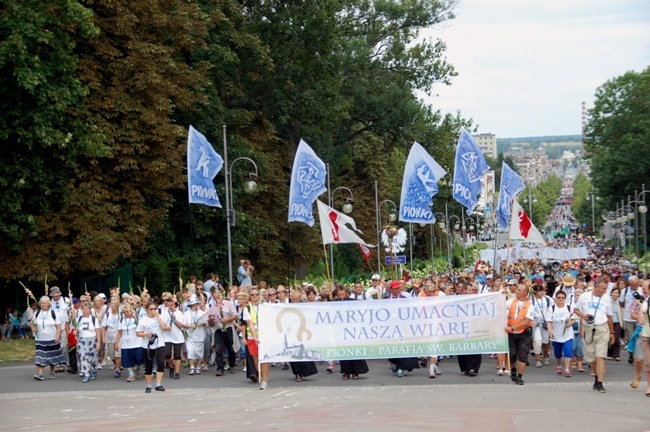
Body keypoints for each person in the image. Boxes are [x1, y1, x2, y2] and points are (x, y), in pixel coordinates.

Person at [573, 278, 615, 393]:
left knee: (600, 356)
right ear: (597, 287)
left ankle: (600, 383)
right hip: (589, 328)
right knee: (591, 357)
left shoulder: (606, 298)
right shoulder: (584, 296)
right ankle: (597, 378)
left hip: (602, 328)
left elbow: (610, 316)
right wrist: (582, 315)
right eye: (604, 288)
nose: (605, 290)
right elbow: (575, 309)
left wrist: (612, 333)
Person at [333, 287, 368, 380]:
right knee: (344, 352)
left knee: (354, 350)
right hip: (341, 330)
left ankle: (356, 372)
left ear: (346, 294)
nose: (341, 296)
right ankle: (346, 372)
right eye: (339, 295)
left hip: (352, 330)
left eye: (343, 294)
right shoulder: (334, 303)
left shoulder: (352, 301)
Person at [385, 281, 419, 377]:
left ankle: (400, 368)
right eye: (395, 288)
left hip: (403, 328)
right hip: (391, 328)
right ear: (391, 289)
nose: (397, 290)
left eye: (398, 288)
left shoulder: (405, 299)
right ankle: (396, 363)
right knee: (393, 348)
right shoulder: (385, 300)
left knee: (402, 347)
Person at [136, 301, 170, 393]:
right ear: (147, 310)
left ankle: (158, 384)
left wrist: (158, 316)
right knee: (148, 365)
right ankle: (148, 385)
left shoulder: (159, 317)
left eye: (155, 309)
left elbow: (163, 327)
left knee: (161, 363)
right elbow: (138, 333)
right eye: (151, 309)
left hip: (159, 343)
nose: (153, 311)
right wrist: (146, 334)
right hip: (147, 345)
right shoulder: (143, 320)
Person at [505, 282, 534, 385]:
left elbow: (526, 321)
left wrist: (513, 328)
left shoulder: (530, 305)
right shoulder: (510, 302)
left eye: (519, 290)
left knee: (522, 355)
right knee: (512, 355)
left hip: (524, 333)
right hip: (511, 333)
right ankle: (513, 370)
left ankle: (520, 377)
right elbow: (500, 307)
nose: (516, 291)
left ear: (525, 293)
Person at [30, 296, 65, 380]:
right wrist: (33, 328)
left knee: (51, 356)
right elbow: (31, 323)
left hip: (51, 338)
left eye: (45, 303)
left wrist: (58, 336)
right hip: (40, 339)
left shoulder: (53, 313)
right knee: (40, 356)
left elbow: (59, 326)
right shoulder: (37, 313)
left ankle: (52, 371)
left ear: (49, 304)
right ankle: (40, 374)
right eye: (41, 303)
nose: (43, 304)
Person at [242, 287, 270, 389]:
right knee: (256, 359)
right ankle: (262, 375)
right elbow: (250, 324)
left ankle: (265, 380)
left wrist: (262, 306)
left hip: (264, 336)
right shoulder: (247, 308)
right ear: (249, 296)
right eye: (253, 295)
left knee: (264, 358)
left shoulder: (265, 306)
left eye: (257, 294)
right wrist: (254, 337)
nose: (255, 297)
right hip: (252, 337)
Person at [546, 290, 576, 376]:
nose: (560, 299)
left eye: (562, 298)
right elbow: (549, 321)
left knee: (568, 351)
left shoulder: (569, 308)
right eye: (559, 297)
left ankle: (567, 369)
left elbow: (573, 319)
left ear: (565, 299)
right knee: (557, 352)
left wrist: (569, 323)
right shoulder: (551, 308)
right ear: (556, 298)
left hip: (567, 334)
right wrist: (550, 332)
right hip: (556, 334)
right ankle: (558, 366)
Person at [208, 291, 238, 376]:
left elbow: (235, 315)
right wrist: (211, 320)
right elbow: (210, 322)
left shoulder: (229, 304)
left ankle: (232, 364)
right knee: (218, 349)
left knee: (230, 348)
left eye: (218, 297)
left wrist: (227, 319)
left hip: (228, 328)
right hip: (218, 329)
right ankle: (220, 368)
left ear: (222, 296)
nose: (217, 300)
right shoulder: (213, 307)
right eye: (215, 298)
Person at [115, 303, 144, 382]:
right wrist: (116, 343)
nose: (127, 314)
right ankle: (131, 374)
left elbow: (142, 329)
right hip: (126, 343)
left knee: (138, 357)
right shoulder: (122, 320)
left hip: (137, 342)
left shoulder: (137, 319)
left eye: (128, 312)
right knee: (128, 360)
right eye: (125, 312)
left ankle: (140, 367)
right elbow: (120, 332)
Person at [75, 302, 102, 383]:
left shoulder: (93, 319)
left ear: (90, 310)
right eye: (83, 309)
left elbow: (97, 331)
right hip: (82, 340)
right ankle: (86, 373)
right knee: (83, 357)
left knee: (92, 356)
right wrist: (75, 334)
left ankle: (94, 368)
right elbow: (76, 330)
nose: (85, 311)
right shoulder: (78, 319)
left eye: (86, 309)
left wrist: (98, 343)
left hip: (92, 339)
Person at [632, 280, 650, 397]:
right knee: (647, 363)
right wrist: (640, 306)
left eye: (645, 288)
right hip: (646, 334)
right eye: (642, 288)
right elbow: (641, 320)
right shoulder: (645, 302)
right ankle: (649, 386)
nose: (644, 290)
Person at [161, 294, 185, 380]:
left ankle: (177, 372)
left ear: (175, 304)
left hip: (177, 336)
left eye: (172, 305)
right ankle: (171, 366)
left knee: (177, 355)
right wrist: (166, 327)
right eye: (169, 305)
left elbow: (181, 326)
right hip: (167, 336)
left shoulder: (179, 313)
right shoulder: (164, 313)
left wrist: (175, 319)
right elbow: (162, 324)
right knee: (167, 354)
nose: (170, 307)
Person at [621, 275, 643, 364]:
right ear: (629, 283)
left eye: (636, 283)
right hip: (628, 318)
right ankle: (631, 354)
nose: (634, 285)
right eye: (632, 283)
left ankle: (638, 355)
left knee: (639, 337)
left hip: (640, 318)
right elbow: (621, 303)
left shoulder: (642, 290)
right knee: (630, 337)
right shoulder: (625, 291)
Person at [531, 284, 553, 367]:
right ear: (535, 292)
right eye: (539, 290)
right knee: (538, 341)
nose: (541, 292)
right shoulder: (531, 300)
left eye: (542, 290)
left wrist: (550, 322)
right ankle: (537, 360)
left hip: (545, 323)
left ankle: (546, 357)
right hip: (536, 324)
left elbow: (550, 311)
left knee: (545, 342)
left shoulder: (547, 300)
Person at [183, 297, 207, 374]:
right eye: (195, 304)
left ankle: (198, 366)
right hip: (190, 335)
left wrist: (202, 324)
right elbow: (183, 324)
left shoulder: (201, 313)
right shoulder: (186, 313)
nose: (196, 305)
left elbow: (206, 322)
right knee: (190, 350)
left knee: (199, 351)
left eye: (197, 303)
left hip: (199, 334)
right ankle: (192, 366)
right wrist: (190, 326)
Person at [102, 297, 123, 378]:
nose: (113, 305)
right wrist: (103, 337)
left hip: (119, 336)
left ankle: (117, 369)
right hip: (109, 336)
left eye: (115, 304)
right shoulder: (107, 314)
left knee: (118, 353)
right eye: (111, 304)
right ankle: (117, 365)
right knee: (111, 355)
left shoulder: (121, 314)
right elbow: (104, 327)